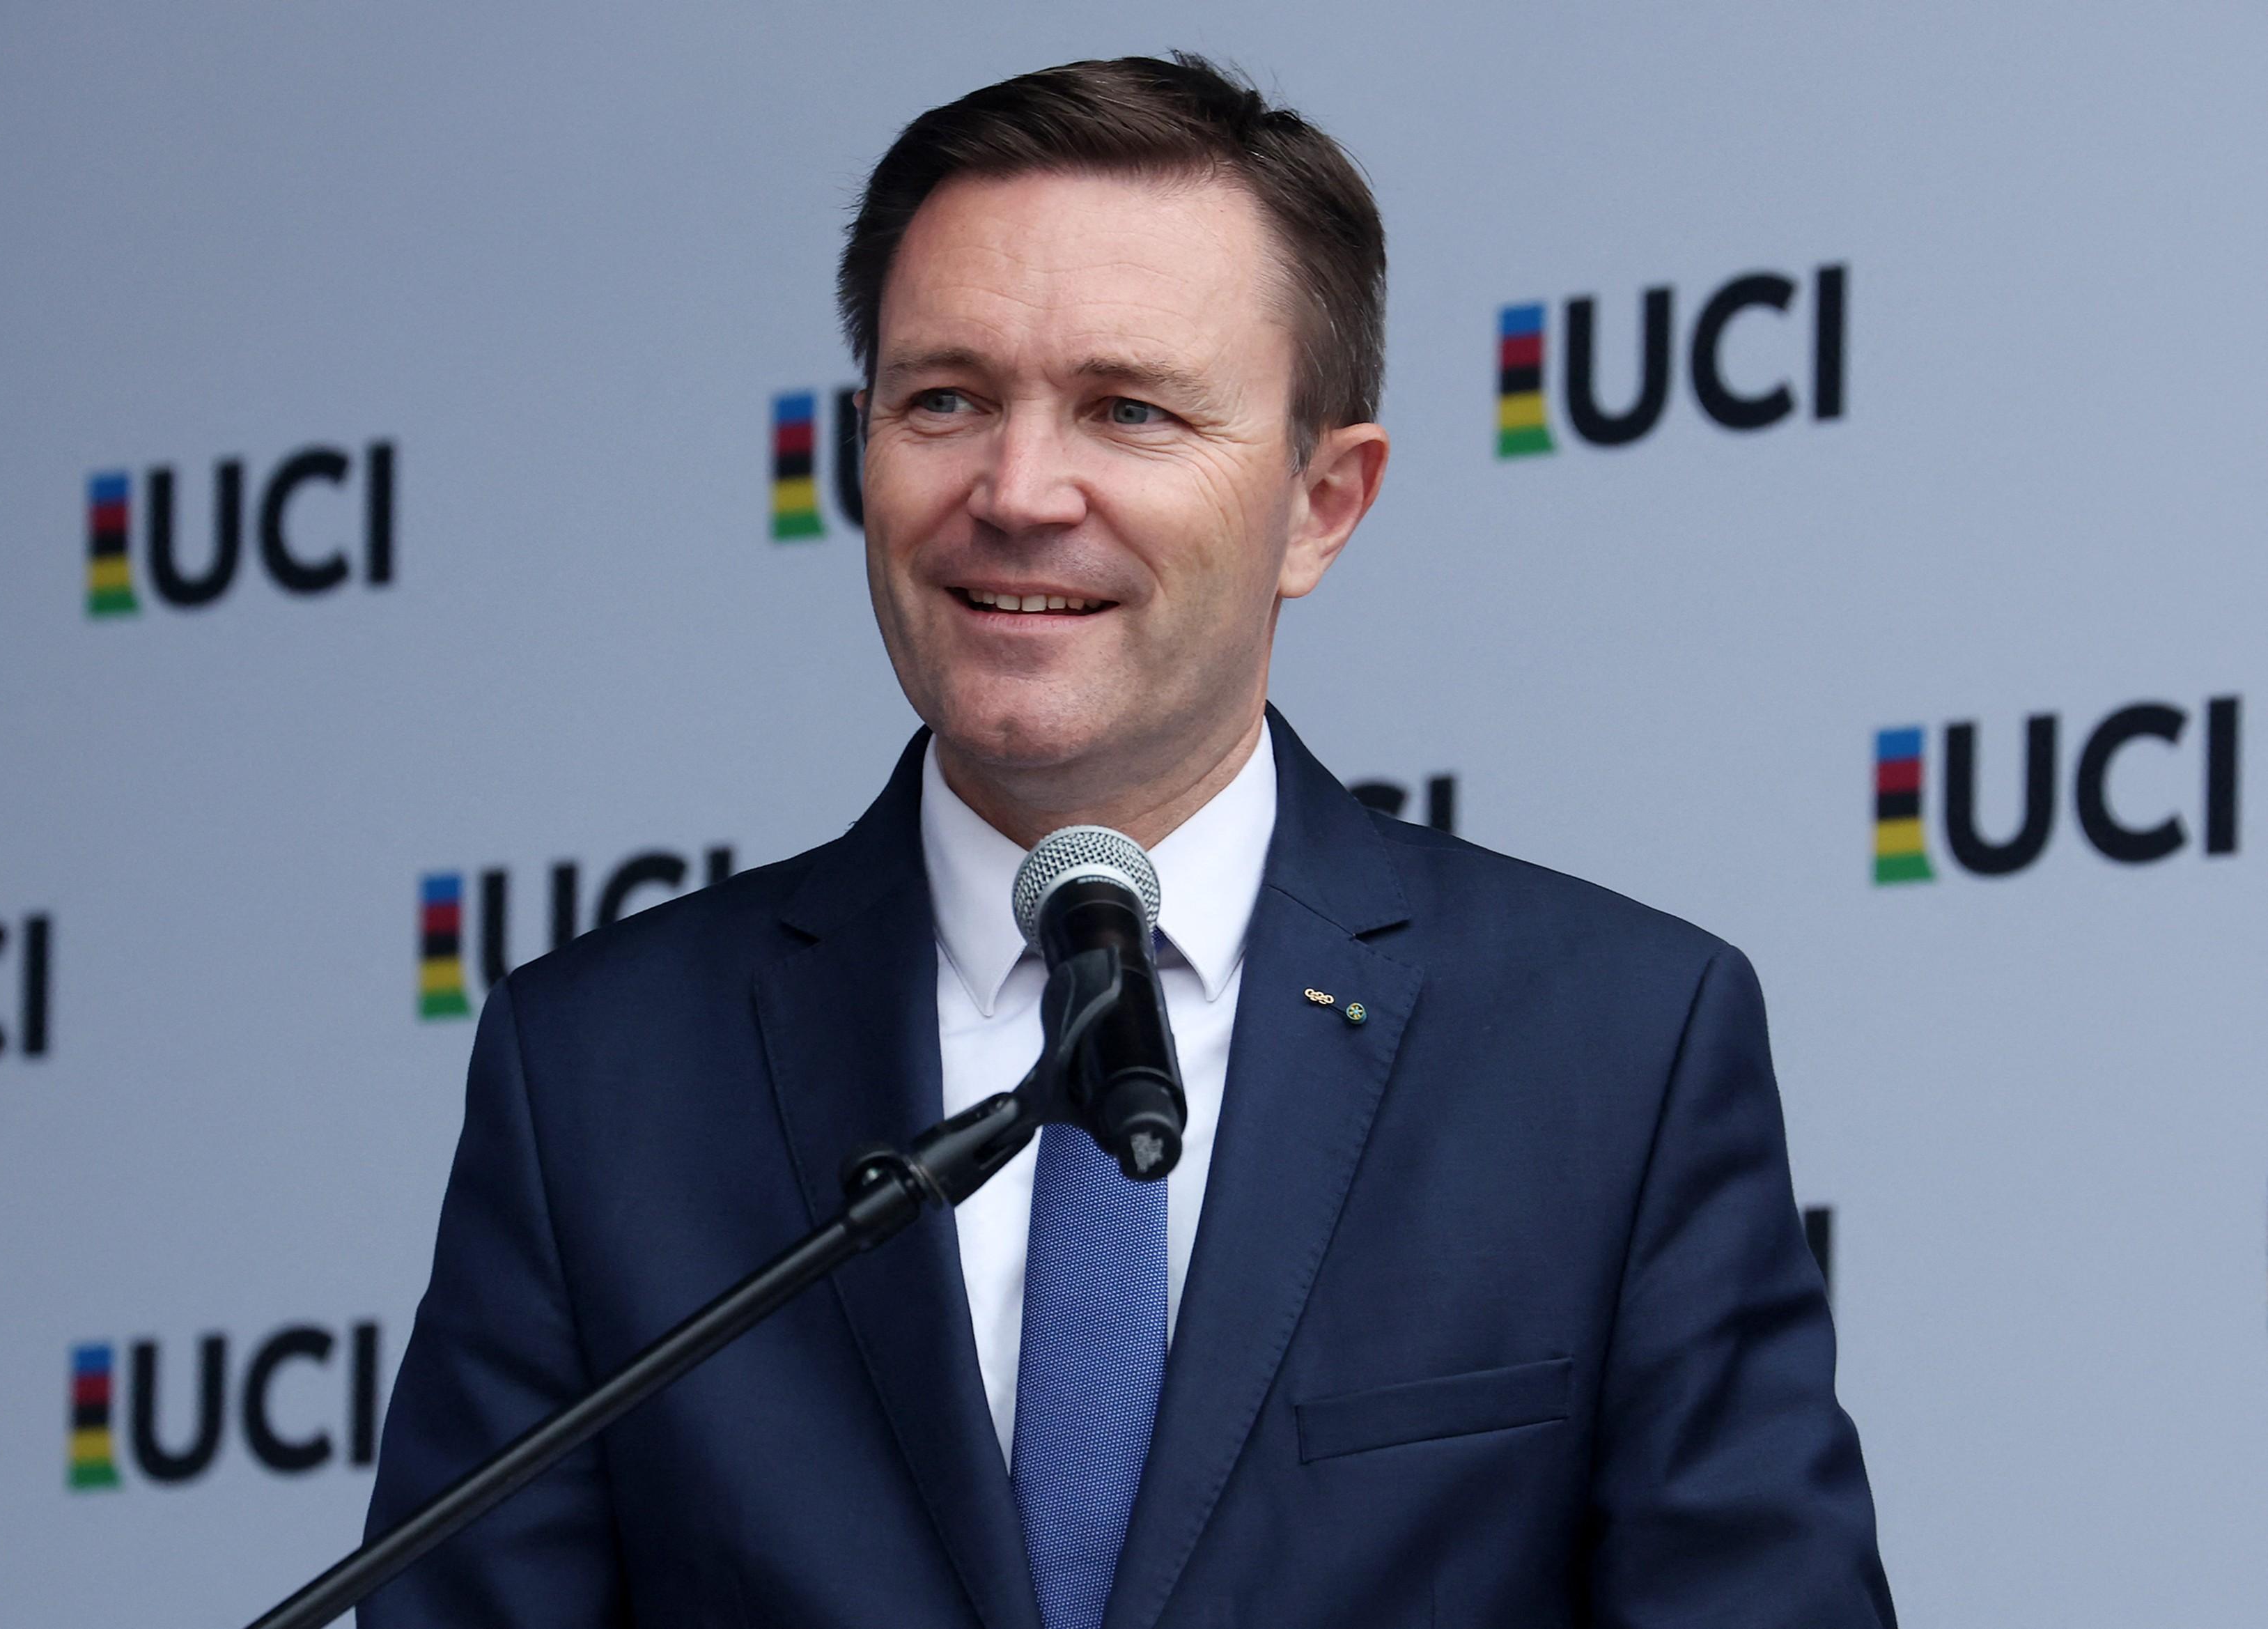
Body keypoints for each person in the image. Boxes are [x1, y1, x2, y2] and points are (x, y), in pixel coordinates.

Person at [364, 54, 1895, 1629]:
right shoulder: (598, 1073)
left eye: (1129, 410)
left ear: (1322, 502)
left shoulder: (1614, 1048)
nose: (1018, 491)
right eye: (945, 399)